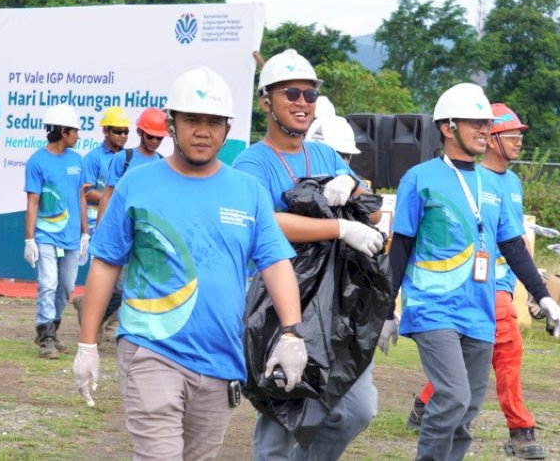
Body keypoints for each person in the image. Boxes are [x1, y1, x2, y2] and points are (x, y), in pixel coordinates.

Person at [73, 67, 307, 460]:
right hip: (151, 350)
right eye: (192, 120)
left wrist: (291, 333)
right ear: (171, 124)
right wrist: (86, 344)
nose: (203, 131)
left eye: (213, 122)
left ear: (227, 128)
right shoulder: (138, 184)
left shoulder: (247, 191)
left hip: (221, 360)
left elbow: (276, 263)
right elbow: (105, 263)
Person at [386, 84, 559, 461]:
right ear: (448, 127)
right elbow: (400, 247)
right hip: (433, 308)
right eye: (475, 122)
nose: (484, 129)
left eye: (487, 123)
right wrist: (385, 308)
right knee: (452, 396)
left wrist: (543, 296)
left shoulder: (493, 183)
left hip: (478, 311)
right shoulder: (420, 178)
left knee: (466, 411)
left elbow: (512, 245)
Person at [233, 48, 384, 461]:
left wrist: (349, 186)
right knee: (284, 407)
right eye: (291, 94)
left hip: (337, 300)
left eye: (310, 94)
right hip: (280, 298)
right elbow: (268, 222)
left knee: (357, 408)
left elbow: (371, 206)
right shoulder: (251, 163)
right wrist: (338, 227)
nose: (303, 103)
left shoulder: (325, 154)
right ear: (266, 101)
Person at [73, 107, 170, 333]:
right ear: (140, 132)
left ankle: (118, 326)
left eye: (159, 137)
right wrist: (102, 229)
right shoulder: (123, 159)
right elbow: (108, 195)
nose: (155, 141)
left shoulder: (163, 164)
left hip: (147, 235)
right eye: (150, 136)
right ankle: (91, 315)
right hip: (122, 230)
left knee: (139, 286)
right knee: (117, 286)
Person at [23, 104, 88, 359]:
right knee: (48, 283)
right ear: (63, 131)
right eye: (75, 131)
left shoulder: (77, 161)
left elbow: (81, 198)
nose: (78, 136)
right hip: (45, 235)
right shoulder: (37, 162)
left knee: (66, 285)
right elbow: (33, 201)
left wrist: (85, 234)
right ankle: (46, 334)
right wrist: (30, 239)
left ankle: (54, 327)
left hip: (72, 237)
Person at [81, 106, 129, 234]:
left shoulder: (129, 158)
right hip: (95, 228)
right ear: (106, 131)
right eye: (118, 132)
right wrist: (116, 200)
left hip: (119, 228)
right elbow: (87, 192)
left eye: (126, 132)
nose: (123, 136)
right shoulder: (93, 158)